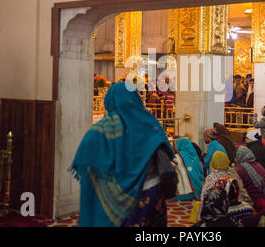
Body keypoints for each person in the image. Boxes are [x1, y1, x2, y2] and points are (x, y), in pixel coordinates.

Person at [70, 82, 176, 227]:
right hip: (151, 191)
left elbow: (86, 158)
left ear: (109, 100)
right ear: (136, 98)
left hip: (115, 198)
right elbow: (165, 150)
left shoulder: (100, 130)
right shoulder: (150, 123)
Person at [198, 151, 252, 222]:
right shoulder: (234, 173)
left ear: (213, 162)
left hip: (218, 209)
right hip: (238, 205)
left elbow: (204, 196)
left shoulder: (212, 177)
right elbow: (241, 189)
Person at [234, 146, 265, 213]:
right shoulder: (258, 164)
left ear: (240, 156)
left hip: (254, 203)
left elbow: (238, 189)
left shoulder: (241, 169)